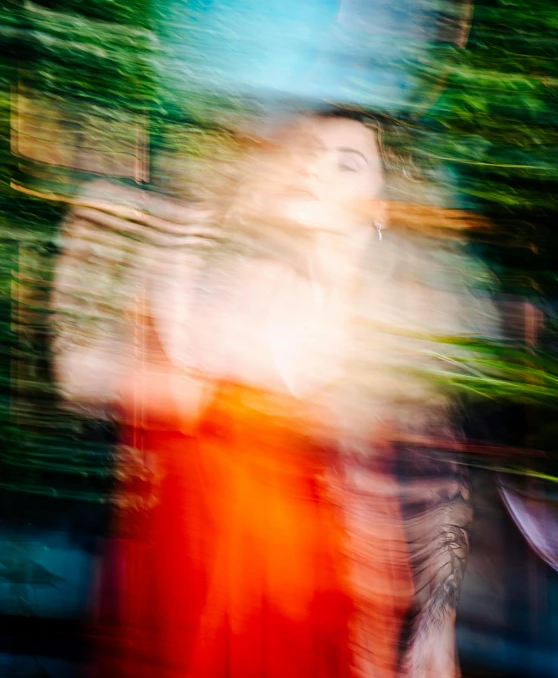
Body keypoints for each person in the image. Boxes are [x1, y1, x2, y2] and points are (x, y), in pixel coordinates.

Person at [52, 110, 475, 678]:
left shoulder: (388, 316)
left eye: (346, 164)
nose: (313, 168)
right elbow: (82, 368)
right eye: (305, 149)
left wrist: (435, 623)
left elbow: (432, 481)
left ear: (379, 202)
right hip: (187, 568)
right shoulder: (192, 250)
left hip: (315, 585)